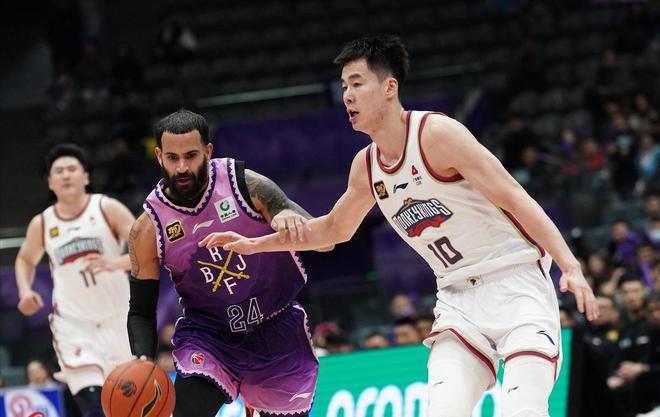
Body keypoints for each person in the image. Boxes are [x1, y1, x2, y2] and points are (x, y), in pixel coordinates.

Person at [201, 34, 600, 417]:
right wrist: (255, 242)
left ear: (389, 87)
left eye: (357, 83)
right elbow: (332, 231)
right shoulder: (366, 166)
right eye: (344, 86)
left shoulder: (437, 134)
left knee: (524, 411)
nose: (347, 95)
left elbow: (515, 196)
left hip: (516, 283)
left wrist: (570, 266)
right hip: (458, 300)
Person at [127, 109, 328, 417]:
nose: (182, 167)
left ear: (208, 151)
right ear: (159, 157)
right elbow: (141, 311)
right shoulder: (147, 228)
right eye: (172, 158)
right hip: (210, 336)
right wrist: (142, 359)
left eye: (191, 155)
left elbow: (326, 242)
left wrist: (290, 218)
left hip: (277, 327)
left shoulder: (246, 186)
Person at [15, 143, 135, 417]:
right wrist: (24, 290)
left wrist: (114, 263)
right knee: (93, 407)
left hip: (120, 318)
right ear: (50, 182)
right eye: (59, 171)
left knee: (130, 405)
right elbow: (25, 259)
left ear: (86, 177)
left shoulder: (107, 208)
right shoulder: (42, 223)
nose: (66, 175)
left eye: (72, 169)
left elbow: (148, 250)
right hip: (74, 323)